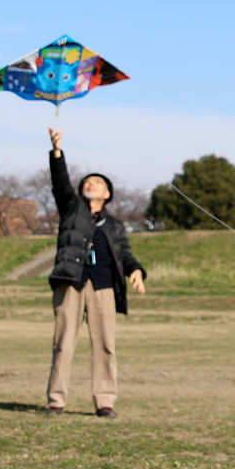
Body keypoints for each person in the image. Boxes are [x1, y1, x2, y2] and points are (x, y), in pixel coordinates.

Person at [45, 127, 147, 417]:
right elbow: (60, 183)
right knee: (63, 343)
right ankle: (56, 401)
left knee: (105, 346)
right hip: (71, 282)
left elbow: (124, 253)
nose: (91, 184)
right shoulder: (71, 210)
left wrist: (136, 270)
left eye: (97, 182)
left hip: (104, 287)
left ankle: (105, 402)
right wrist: (57, 152)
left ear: (108, 194)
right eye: (87, 182)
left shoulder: (114, 225)